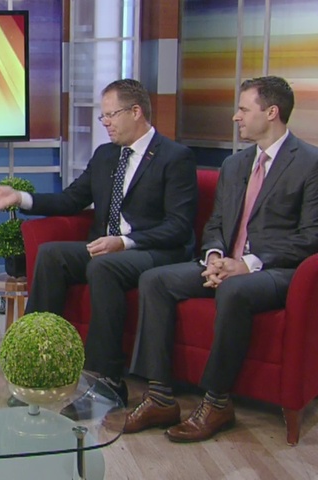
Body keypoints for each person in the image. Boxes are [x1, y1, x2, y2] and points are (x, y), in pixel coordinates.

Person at [0, 79, 198, 407]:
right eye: (103, 116)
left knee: (104, 266)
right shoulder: (106, 155)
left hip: (154, 251)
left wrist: (124, 242)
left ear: (136, 112)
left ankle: (105, 380)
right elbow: (72, 199)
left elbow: (178, 227)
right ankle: (38, 363)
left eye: (111, 115)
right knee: (52, 255)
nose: (105, 123)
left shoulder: (174, 157)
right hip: (107, 248)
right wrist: (21, 198)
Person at [126, 75, 318, 442]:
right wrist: (215, 256)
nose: (235, 116)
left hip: (276, 271)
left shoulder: (310, 163)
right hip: (227, 263)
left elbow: (311, 237)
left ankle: (216, 402)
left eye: (244, 109)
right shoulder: (234, 164)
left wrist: (248, 264)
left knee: (234, 290)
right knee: (155, 280)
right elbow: (216, 223)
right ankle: (160, 396)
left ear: (272, 112)